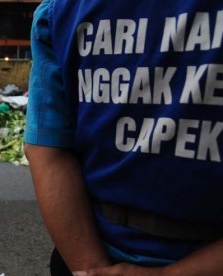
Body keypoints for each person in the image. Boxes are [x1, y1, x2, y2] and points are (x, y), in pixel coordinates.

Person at [24, 1, 223, 275]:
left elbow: (48, 150)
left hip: (87, 256)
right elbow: (48, 151)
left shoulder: (61, 10)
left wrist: (89, 267)